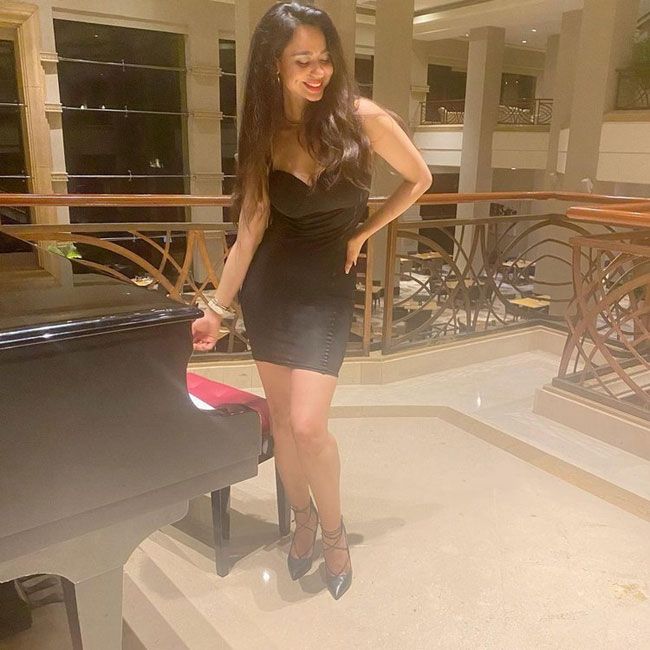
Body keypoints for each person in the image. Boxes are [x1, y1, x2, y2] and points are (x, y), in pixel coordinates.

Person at [192, 1, 431, 600]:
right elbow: (249, 231)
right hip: (270, 290)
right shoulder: (264, 135)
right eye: (302, 61)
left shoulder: (362, 120)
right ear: (274, 65)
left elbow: (419, 178)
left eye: (324, 59)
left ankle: (334, 533)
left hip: (326, 290)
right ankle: (300, 524)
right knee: (285, 426)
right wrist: (217, 310)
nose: (317, 72)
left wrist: (363, 232)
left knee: (308, 424)